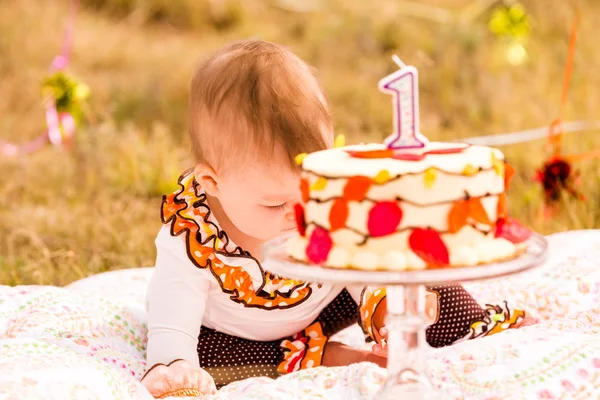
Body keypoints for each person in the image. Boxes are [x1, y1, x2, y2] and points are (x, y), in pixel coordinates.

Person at [140, 40, 529, 399]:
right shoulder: (193, 236)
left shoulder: (329, 200)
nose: (300, 214)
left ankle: (469, 322)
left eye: (310, 192)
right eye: (275, 205)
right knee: (207, 356)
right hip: (241, 331)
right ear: (214, 182)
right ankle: (328, 355)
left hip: (325, 303)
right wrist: (174, 363)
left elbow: (359, 264)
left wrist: (383, 310)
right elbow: (172, 309)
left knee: (417, 284)